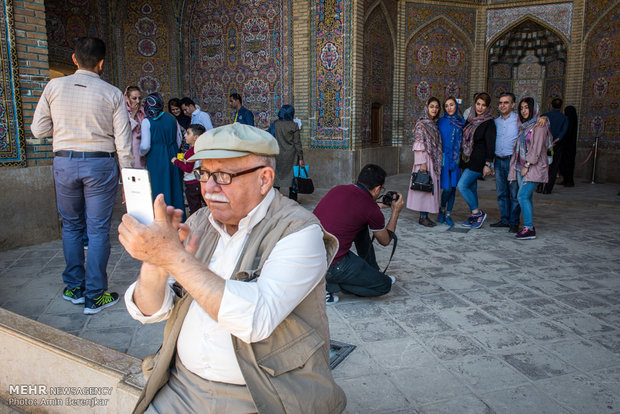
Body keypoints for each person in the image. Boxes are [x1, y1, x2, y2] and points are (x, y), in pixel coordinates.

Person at [119, 123, 346, 413]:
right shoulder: (200, 221)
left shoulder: (299, 232)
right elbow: (151, 311)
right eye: (203, 174)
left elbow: (256, 319)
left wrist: (174, 257)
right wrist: (155, 262)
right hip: (179, 387)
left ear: (264, 180)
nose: (209, 189)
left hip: (262, 396)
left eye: (223, 176)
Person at [31, 37, 132, 314]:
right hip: (100, 165)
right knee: (98, 230)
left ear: (74, 59)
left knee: (71, 226)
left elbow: (38, 130)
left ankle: (74, 287)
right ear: (101, 63)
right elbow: (123, 145)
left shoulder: (54, 86)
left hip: (64, 163)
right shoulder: (112, 93)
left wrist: (66, 129)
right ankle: (95, 295)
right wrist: (128, 180)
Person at [314, 164, 404, 303]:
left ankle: (371, 271)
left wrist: (378, 205)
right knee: (384, 285)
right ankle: (325, 285)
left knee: (361, 226)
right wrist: (395, 212)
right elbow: (385, 241)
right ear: (377, 189)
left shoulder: (338, 189)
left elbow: (358, 208)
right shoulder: (371, 210)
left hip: (311, 255)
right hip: (333, 263)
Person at [509, 97, 551, 240]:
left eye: (527, 107)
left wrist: (527, 165)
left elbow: (537, 148)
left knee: (522, 196)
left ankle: (529, 229)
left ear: (533, 108)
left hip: (532, 167)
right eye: (521, 108)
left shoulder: (539, 125)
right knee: (527, 197)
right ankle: (529, 226)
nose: (524, 111)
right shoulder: (524, 125)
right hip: (521, 167)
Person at [140, 93, 186, 219]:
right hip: (172, 154)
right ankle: (178, 220)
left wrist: (140, 154)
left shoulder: (146, 122)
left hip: (156, 156)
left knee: (159, 188)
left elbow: (145, 146)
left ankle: (162, 220)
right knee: (175, 187)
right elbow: (179, 139)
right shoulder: (171, 118)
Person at [457, 92, 496, 229]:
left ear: (487, 107)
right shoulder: (470, 119)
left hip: (479, 160)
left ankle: (477, 213)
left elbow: (491, 145)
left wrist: (488, 164)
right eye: (478, 104)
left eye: (483, 105)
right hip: (467, 158)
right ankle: (474, 217)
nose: (480, 107)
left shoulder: (489, 122)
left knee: (462, 186)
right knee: (472, 188)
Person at [406, 97, 442, 227]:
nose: (434, 109)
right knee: (424, 187)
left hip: (432, 159)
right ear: (427, 107)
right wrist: (422, 163)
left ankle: (425, 215)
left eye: (437, 107)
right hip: (424, 160)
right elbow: (418, 144)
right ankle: (423, 217)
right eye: (432, 106)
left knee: (428, 187)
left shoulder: (434, 123)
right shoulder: (421, 124)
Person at [490, 92, 521, 233]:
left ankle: (514, 222)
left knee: (514, 193)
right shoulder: (495, 122)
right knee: (501, 193)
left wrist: (544, 118)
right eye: (501, 103)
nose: (502, 105)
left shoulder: (518, 120)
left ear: (513, 105)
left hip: (512, 161)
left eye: (506, 102)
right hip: (498, 161)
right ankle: (505, 219)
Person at [436, 96, 465, 227]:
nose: (449, 108)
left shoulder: (462, 122)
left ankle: (448, 214)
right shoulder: (440, 121)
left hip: (456, 159)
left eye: (451, 105)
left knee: (453, 188)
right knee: (446, 188)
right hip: (444, 159)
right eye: (446, 105)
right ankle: (441, 210)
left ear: (456, 106)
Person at [171, 124, 206, 216]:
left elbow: (188, 168)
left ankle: (196, 226)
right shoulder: (202, 149)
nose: (185, 135)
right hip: (201, 180)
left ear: (195, 137)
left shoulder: (191, 152)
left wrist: (176, 161)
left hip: (192, 183)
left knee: (194, 207)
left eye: (188, 133)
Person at [271, 104, 304, 201]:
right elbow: (297, 143)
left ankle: (274, 199)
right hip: (292, 156)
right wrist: (301, 158)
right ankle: (293, 200)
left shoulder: (276, 124)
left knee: (277, 177)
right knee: (293, 178)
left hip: (278, 154)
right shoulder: (294, 125)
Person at [540, 98, 568, 194]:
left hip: (543, 144)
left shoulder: (544, 116)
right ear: (561, 107)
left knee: (541, 165)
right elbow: (563, 132)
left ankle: (539, 187)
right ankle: (547, 189)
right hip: (556, 145)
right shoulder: (564, 118)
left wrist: (546, 141)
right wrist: (555, 141)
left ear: (551, 105)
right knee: (553, 167)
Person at [126, 86, 146, 169]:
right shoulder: (123, 113)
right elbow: (125, 132)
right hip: (131, 151)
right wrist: (133, 114)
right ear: (127, 99)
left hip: (143, 152)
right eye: (134, 98)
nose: (138, 101)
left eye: (139, 98)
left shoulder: (142, 112)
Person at [559, 105, 578, 187]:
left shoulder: (567, 121)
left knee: (566, 163)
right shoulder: (573, 121)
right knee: (568, 163)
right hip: (571, 146)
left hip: (566, 146)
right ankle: (567, 179)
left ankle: (568, 180)